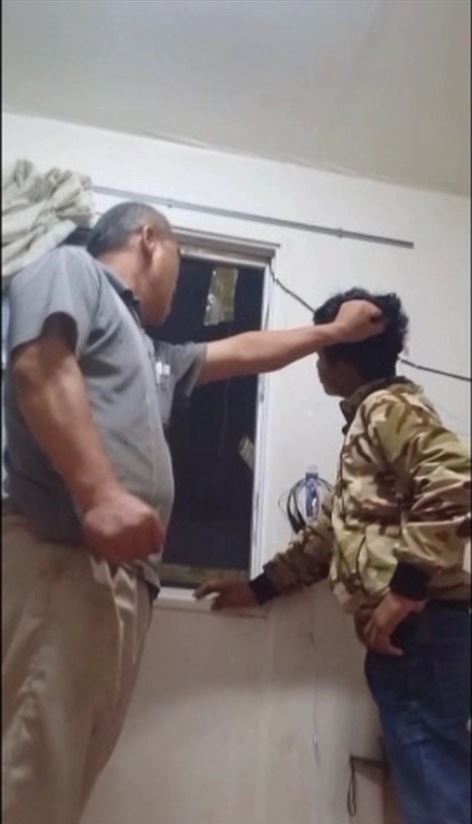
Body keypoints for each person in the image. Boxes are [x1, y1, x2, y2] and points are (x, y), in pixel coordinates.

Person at [1, 203, 385, 824]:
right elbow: (40, 365)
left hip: (114, 582)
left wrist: (332, 335)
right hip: (62, 560)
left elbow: (245, 350)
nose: (178, 287)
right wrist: (99, 494)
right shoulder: (72, 270)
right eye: (179, 264)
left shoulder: (152, 353)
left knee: (60, 781)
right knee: (27, 775)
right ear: (148, 239)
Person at [196, 288, 471, 824]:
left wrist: (406, 590)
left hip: (426, 633)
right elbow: (328, 535)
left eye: (322, 355)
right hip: (416, 640)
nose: (317, 366)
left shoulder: (388, 408)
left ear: (342, 361)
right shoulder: (369, 422)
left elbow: (455, 477)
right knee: (431, 788)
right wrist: (257, 588)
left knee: (437, 794)